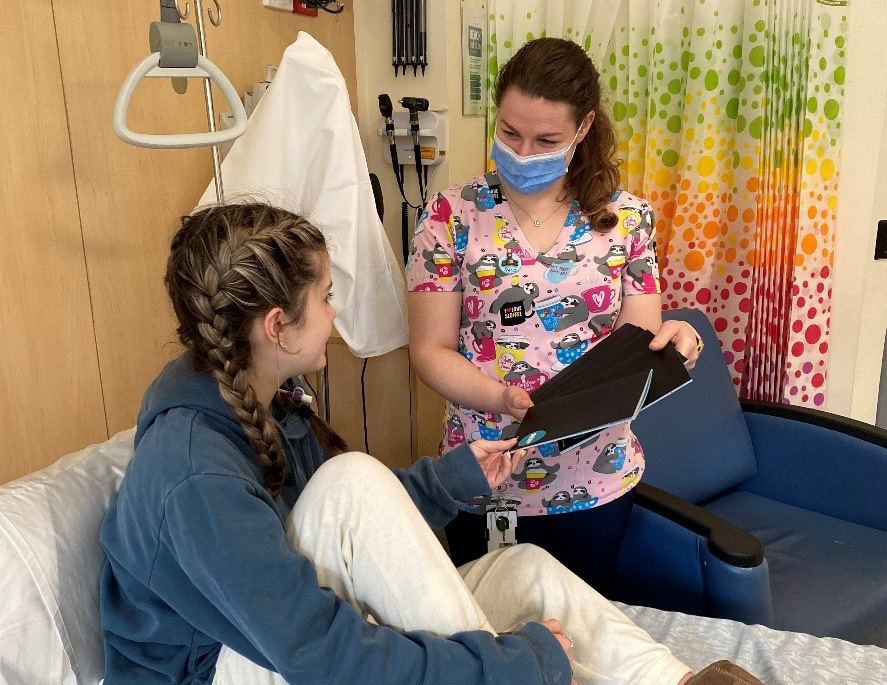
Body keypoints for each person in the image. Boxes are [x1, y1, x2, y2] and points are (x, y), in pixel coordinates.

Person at [99, 203, 760, 685]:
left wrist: (451, 479)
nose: (334, 318)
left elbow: (352, 540)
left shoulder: (268, 409)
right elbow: (323, 650)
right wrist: (519, 661)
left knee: (521, 569)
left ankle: (677, 682)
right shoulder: (193, 474)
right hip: (229, 667)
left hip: (280, 640)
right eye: (325, 299)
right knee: (353, 478)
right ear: (277, 325)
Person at [407, 37, 704, 589]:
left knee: (580, 639)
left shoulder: (627, 219)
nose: (522, 151)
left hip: (595, 481)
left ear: (584, 128)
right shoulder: (452, 215)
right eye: (509, 133)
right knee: (486, 636)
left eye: (547, 140)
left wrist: (673, 341)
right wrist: (500, 398)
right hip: (482, 473)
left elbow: (634, 342)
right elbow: (429, 350)